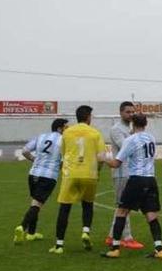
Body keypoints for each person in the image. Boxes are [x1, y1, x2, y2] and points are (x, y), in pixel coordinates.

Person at [101, 114, 162, 259]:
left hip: (137, 179)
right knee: (152, 215)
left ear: (132, 124)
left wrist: (104, 158)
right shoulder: (151, 138)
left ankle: (115, 248)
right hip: (151, 179)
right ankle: (159, 249)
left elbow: (116, 163)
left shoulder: (130, 140)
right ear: (146, 124)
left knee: (121, 211)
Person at [49, 105, 108, 254]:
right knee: (87, 204)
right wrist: (98, 171)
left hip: (71, 174)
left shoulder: (67, 132)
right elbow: (102, 157)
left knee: (64, 208)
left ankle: (59, 245)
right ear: (88, 117)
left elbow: (63, 154)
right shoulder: (95, 133)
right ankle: (86, 231)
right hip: (89, 174)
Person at [14, 118, 68, 244]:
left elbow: (25, 151)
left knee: (35, 203)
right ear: (60, 128)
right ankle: (22, 226)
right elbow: (65, 160)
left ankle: (31, 234)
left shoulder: (41, 136)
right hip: (48, 176)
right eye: (66, 127)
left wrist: (34, 159)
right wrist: (57, 167)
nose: (68, 129)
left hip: (33, 174)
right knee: (37, 205)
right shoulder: (63, 140)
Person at [104, 101, 144, 250]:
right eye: (128, 112)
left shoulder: (130, 129)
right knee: (123, 206)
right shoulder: (116, 129)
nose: (131, 114)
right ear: (121, 113)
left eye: (133, 112)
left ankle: (111, 236)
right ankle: (127, 237)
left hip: (130, 172)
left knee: (123, 206)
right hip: (121, 172)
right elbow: (128, 147)